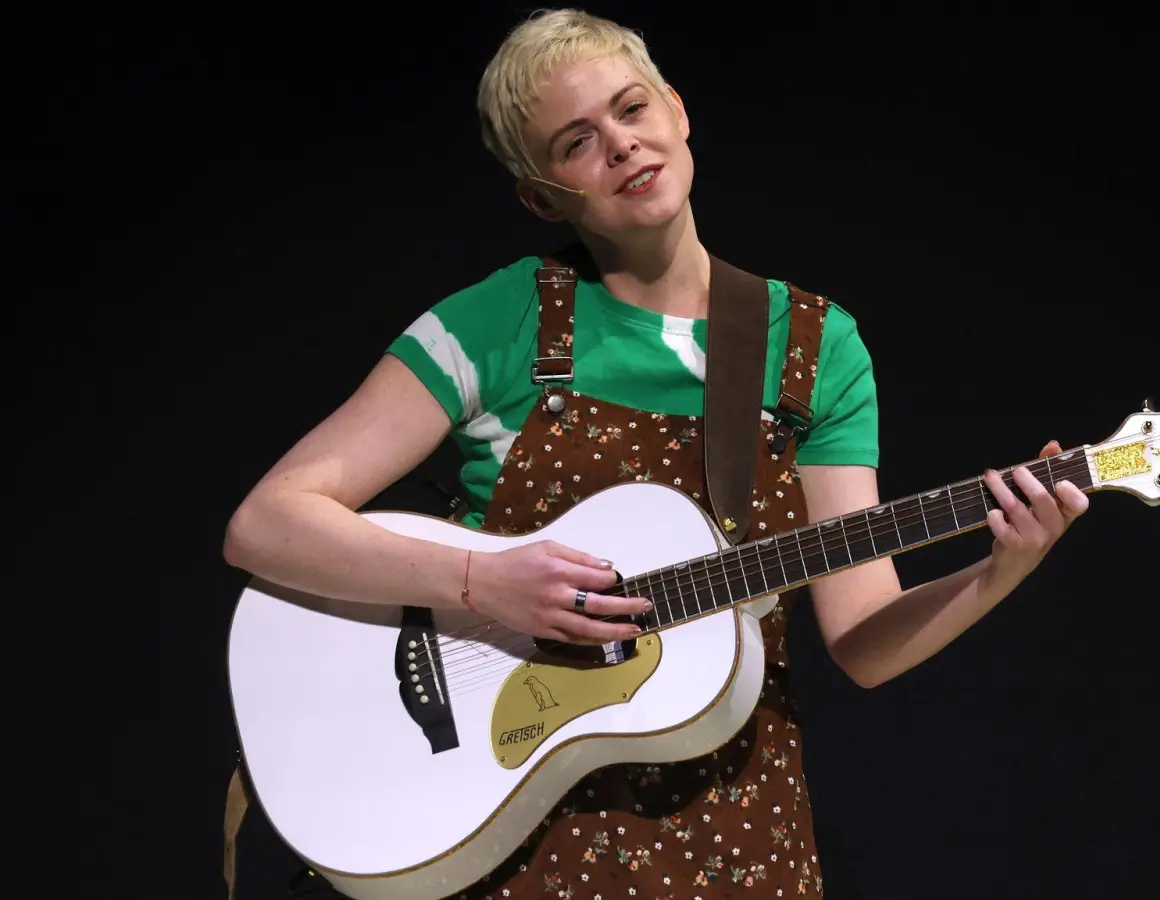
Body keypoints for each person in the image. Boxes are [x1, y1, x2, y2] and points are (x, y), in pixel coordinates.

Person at [221, 8, 1089, 898]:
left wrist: (999, 571)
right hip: (516, 835)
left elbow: (865, 640)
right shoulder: (500, 321)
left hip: (735, 830)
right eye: (577, 142)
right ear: (541, 195)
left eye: (632, 110)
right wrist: (484, 584)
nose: (622, 146)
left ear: (676, 111)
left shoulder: (815, 349)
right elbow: (268, 522)